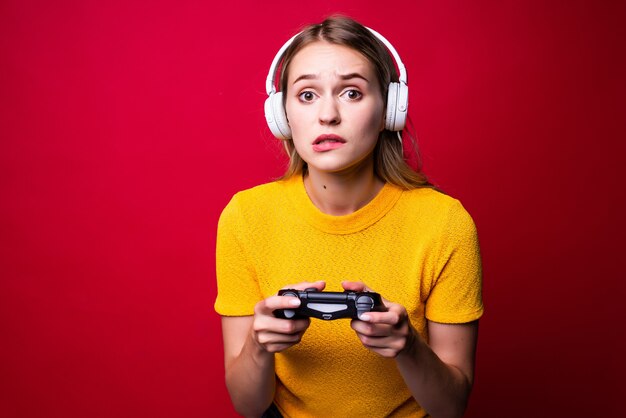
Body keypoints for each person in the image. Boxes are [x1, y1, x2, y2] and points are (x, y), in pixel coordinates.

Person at [214, 15, 483, 418]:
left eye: (352, 93)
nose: (328, 115)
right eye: (307, 95)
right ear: (281, 114)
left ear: (391, 109)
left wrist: (407, 346)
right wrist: (258, 344)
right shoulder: (245, 217)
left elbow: (451, 407)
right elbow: (248, 406)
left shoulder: (445, 222)